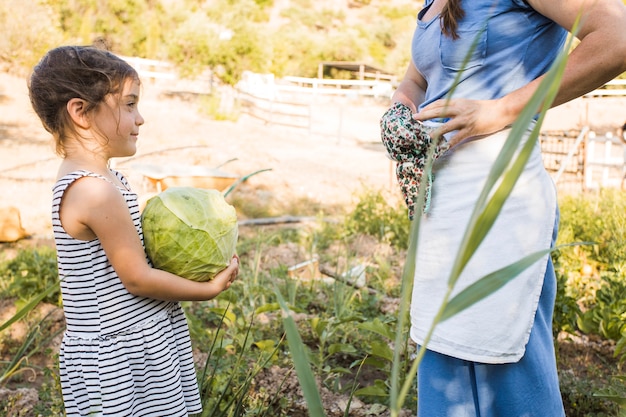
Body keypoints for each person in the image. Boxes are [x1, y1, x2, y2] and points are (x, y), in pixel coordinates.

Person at [381, 0, 626, 415]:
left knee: (506, 368)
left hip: (501, 197)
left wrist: (502, 110)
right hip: (442, 204)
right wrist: (400, 108)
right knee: (442, 355)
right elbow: (417, 78)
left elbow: (616, 38)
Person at [28, 45, 240, 416]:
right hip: (120, 359)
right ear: (80, 112)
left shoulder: (102, 179)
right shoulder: (95, 190)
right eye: (129, 105)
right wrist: (208, 289)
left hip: (134, 340)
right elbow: (137, 279)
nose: (140, 118)